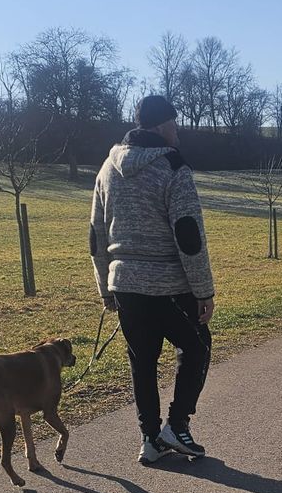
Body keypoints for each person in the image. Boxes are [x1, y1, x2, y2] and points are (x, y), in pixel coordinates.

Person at [90, 95, 214, 464]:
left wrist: (105, 287)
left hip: (124, 282)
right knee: (197, 347)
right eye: (175, 124)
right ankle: (176, 425)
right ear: (162, 126)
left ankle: (150, 438)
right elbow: (189, 237)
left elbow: (95, 235)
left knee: (142, 361)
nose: (178, 131)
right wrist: (204, 290)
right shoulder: (174, 166)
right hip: (169, 284)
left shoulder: (106, 169)